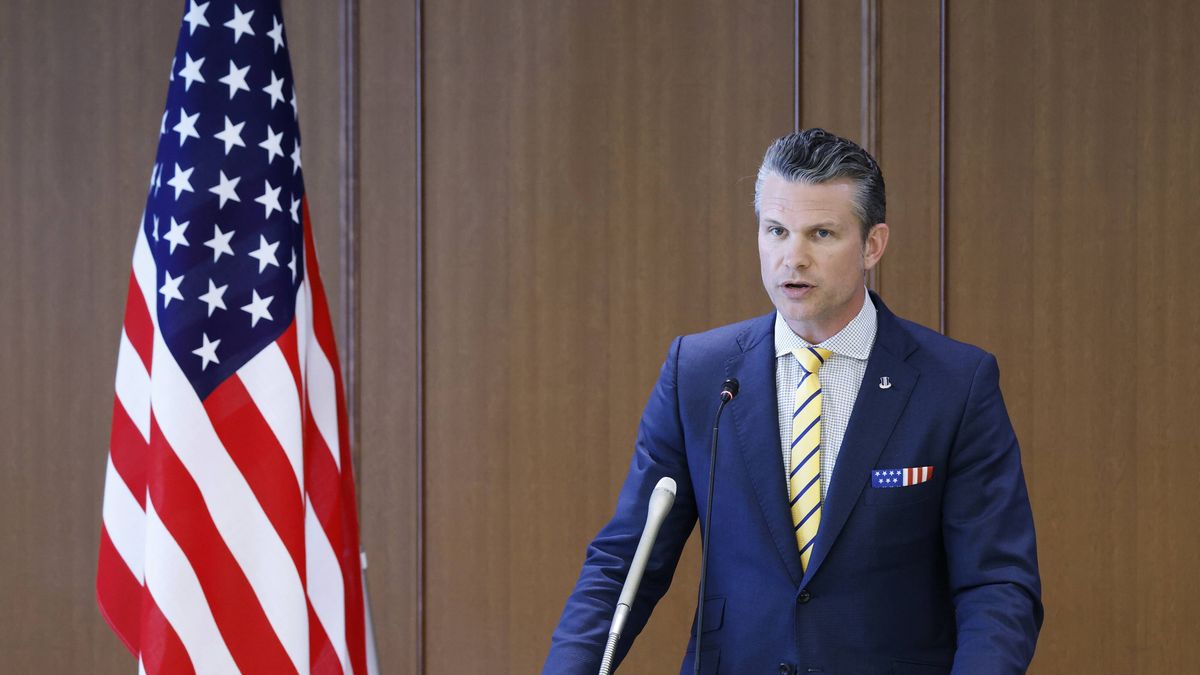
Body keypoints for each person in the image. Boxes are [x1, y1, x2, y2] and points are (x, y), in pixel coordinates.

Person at [544, 129, 1043, 674]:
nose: (793, 258)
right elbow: (624, 563)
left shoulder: (955, 383)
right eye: (776, 231)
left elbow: (997, 585)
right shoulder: (700, 373)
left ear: (873, 244)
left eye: (822, 233)